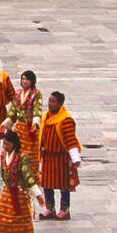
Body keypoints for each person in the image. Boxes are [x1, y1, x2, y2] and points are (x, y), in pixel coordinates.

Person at [0, 130, 46, 233]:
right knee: (0, 222)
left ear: (14, 144)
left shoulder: (23, 157)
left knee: (22, 224)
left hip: (20, 194)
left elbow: (28, 177)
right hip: (7, 194)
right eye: (4, 144)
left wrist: (37, 195)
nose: (5, 147)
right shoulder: (3, 155)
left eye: (7, 144)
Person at [38, 91, 82, 220]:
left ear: (60, 104)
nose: (50, 104)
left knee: (63, 185)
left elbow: (70, 140)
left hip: (60, 158)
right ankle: (50, 209)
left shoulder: (65, 120)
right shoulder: (46, 116)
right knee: (46, 184)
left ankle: (65, 210)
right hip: (47, 157)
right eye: (49, 101)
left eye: (53, 102)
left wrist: (75, 158)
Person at [0, 70, 43, 178]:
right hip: (19, 129)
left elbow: (37, 109)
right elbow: (13, 111)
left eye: (27, 79)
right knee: (18, 151)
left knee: (30, 154)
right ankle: (19, 174)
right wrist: (6, 124)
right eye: (23, 79)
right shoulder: (18, 93)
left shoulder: (36, 94)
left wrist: (35, 122)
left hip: (30, 128)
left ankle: (31, 177)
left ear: (32, 81)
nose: (25, 81)